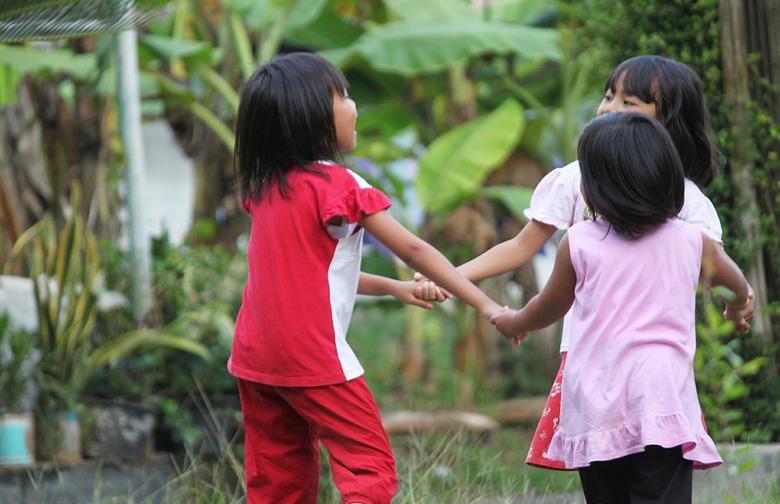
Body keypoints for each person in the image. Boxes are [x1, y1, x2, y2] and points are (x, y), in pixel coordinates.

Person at [415, 55, 754, 471]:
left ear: (669, 124)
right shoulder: (579, 180)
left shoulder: (690, 207)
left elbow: (714, 269)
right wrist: (451, 276)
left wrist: (737, 299)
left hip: (656, 377)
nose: (609, 108)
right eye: (609, 95)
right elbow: (521, 248)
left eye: (630, 103)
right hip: (592, 361)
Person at [227, 52, 503, 504]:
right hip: (311, 357)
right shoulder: (340, 185)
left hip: (256, 361)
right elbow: (413, 248)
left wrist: (395, 287)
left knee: (279, 480)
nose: (354, 107)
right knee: (368, 466)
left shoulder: (269, 188)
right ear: (311, 114)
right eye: (344, 95)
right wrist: (485, 303)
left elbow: (312, 277)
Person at [491, 112, 750, 504]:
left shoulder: (578, 242)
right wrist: (735, 307)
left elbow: (548, 307)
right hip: (659, 398)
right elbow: (736, 283)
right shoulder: (692, 241)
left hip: (595, 405)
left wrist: (514, 321)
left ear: (595, 187)